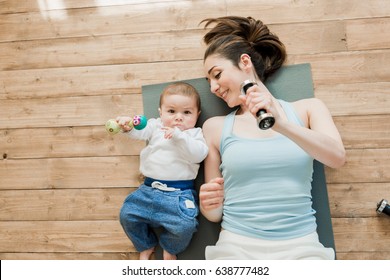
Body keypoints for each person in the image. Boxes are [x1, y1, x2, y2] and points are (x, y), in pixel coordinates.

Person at [198, 16, 346, 260]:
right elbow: (214, 215)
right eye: (209, 81)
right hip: (236, 246)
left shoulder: (308, 109)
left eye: (216, 74)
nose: (213, 87)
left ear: (244, 62)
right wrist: (208, 202)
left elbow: (337, 158)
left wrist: (283, 125)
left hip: (301, 246)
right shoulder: (215, 127)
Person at [117, 82, 208, 260]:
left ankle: (170, 247)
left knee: (185, 226)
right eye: (171, 111)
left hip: (178, 195)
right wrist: (129, 128)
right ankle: (145, 244)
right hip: (147, 190)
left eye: (187, 112)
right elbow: (141, 132)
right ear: (161, 112)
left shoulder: (194, 134)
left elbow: (199, 154)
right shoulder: (156, 126)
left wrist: (179, 137)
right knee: (126, 215)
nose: (178, 118)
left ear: (197, 115)